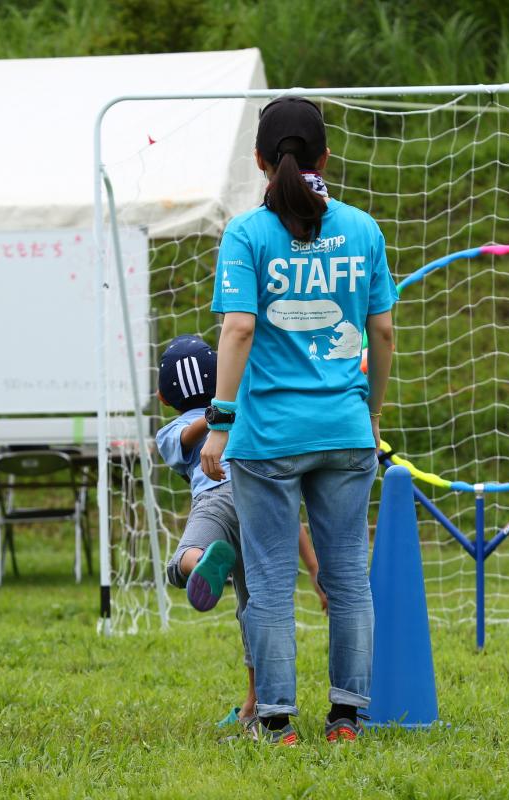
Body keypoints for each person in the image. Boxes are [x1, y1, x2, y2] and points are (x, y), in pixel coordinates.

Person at [200, 97, 397, 745]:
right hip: (345, 430)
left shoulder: (246, 235)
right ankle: (346, 718)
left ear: (259, 161)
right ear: (325, 158)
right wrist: (368, 417)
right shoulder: (364, 229)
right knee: (347, 579)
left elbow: (237, 329)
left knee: (270, 579)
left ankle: (278, 721)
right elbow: (384, 333)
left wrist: (221, 422)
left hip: (266, 438)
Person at [156, 334, 328, 730]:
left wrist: (217, 413)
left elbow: (181, 439)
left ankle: (203, 564)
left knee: (179, 564)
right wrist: (315, 567)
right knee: (254, 611)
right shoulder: (238, 416)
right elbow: (291, 516)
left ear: (164, 398)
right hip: (263, 500)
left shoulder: (171, 428)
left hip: (217, 501)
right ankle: (254, 704)